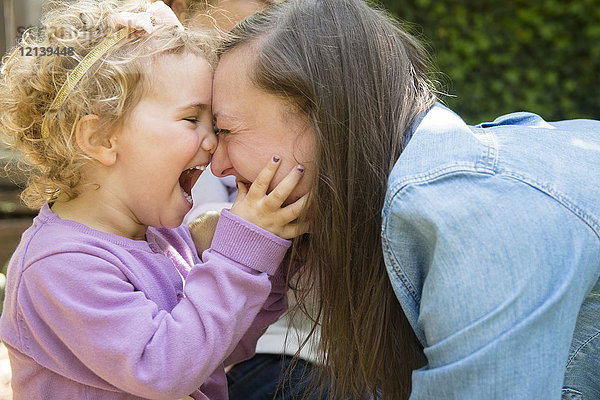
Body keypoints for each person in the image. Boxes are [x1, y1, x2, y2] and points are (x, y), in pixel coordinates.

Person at [209, 0, 600, 399]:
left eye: (225, 130)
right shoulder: (437, 193)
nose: (217, 166)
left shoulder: (466, 207)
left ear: (321, 114)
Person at [0, 0, 308, 398]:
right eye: (190, 119)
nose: (213, 141)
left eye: (212, 123)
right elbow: (163, 368)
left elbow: (214, 347)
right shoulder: (61, 264)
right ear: (100, 139)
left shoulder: (162, 243)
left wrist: (269, 256)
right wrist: (239, 259)